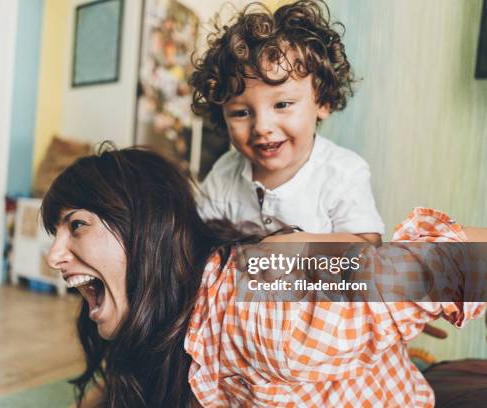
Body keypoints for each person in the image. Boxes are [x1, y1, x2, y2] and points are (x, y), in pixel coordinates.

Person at [43, 147, 485, 408]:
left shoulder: (260, 291)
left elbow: (463, 259)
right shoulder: (162, 317)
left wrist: (380, 286)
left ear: (145, 231)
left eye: (76, 225)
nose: (53, 256)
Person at [191, 0, 383, 244]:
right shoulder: (224, 174)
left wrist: (301, 245)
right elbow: (196, 237)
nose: (262, 127)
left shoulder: (343, 173)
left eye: (282, 105)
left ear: (323, 101)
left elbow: (368, 246)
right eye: (241, 113)